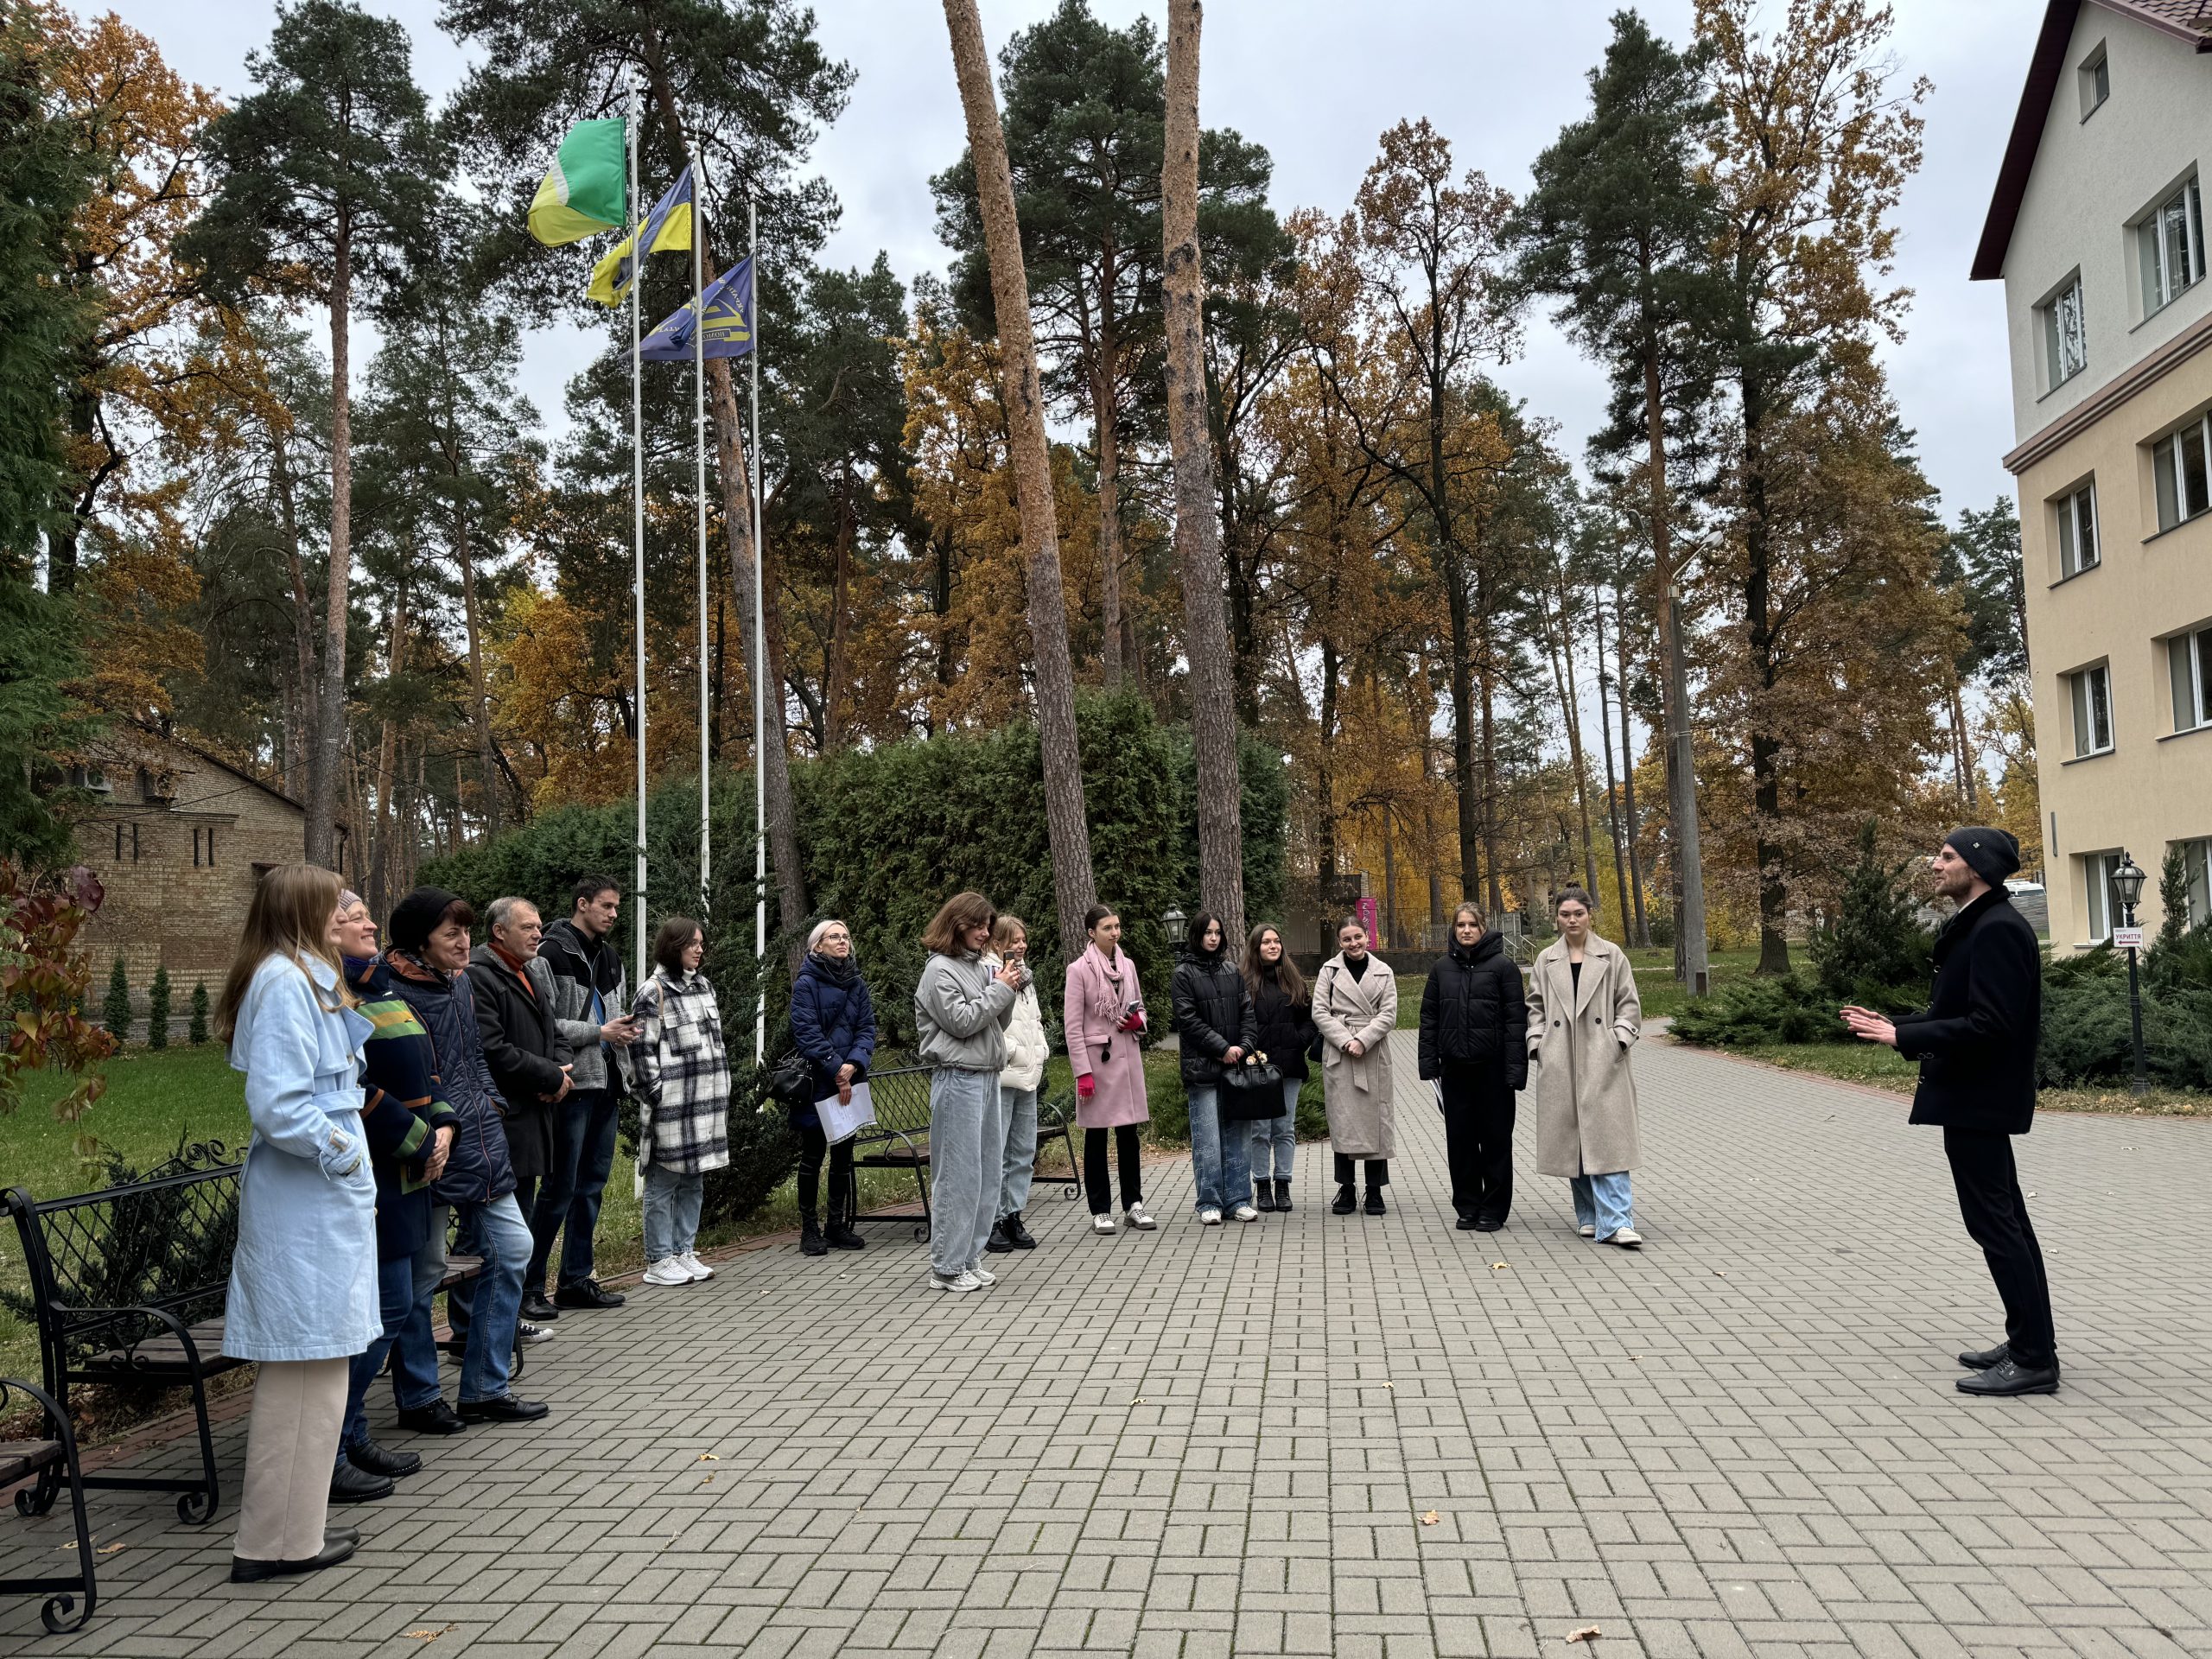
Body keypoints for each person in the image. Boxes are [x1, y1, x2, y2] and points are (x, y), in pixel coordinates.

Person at [1844, 827, 2057, 1397]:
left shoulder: (1997, 931)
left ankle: (2036, 1358)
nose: (1936, 865)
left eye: (1947, 857)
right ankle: (2027, 1340)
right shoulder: (1983, 924)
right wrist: (1898, 1024)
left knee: (1996, 1224)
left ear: (1978, 868)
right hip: (1974, 1097)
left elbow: (1991, 1025)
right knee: (2004, 1221)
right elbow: (1958, 1009)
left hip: (1979, 1098)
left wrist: (1901, 1037)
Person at [214, 863, 378, 1583]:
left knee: (321, 1364)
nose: (352, 911)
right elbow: (280, 1105)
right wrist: (344, 1157)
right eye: (338, 902)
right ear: (308, 911)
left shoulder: (306, 979)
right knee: (304, 1367)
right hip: (306, 1195)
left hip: (319, 1197)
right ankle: (273, 1543)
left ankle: (291, 1533)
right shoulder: (285, 983)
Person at [381, 887, 546, 1428]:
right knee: (423, 1273)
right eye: (451, 933)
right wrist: (433, 1133)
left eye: (466, 931)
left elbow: (473, 1056)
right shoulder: (388, 989)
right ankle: (420, 1397)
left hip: (478, 1138)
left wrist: (490, 1105)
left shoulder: (457, 984)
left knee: (513, 1248)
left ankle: (482, 1387)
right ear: (419, 940)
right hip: (424, 1150)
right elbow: (398, 1078)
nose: (464, 942)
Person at [332, 892, 453, 1506]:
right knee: (386, 1303)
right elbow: (354, 1085)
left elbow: (427, 1070)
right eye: (351, 917)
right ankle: (337, 1441)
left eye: (364, 914)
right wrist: (417, 1139)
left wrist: (445, 1127)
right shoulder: (335, 996)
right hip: (376, 1172)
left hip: (411, 1171)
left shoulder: (381, 990)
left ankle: (350, 1436)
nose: (369, 923)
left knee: (397, 1301)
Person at [467, 897, 574, 1327]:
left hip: (535, 1117)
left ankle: (505, 1318)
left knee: (520, 1224)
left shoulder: (527, 971)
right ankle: (471, 1325)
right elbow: (492, 1049)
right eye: (528, 927)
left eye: (540, 926)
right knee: (489, 1235)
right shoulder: (480, 976)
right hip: (505, 1121)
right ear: (499, 932)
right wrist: (549, 1076)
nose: (538, 934)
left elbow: (554, 1030)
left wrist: (560, 1073)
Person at [533, 874, 639, 1313]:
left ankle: (576, 1279)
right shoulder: (548, 954)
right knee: (559, 1189)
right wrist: (600, 1032)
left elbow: (615, 1017)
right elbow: (542, 1025)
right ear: (582, 904)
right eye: (607, 906)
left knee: (592, 1186)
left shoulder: (611, 957)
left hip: (608, 1084)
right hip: (572, 1085)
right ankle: (528, 1287)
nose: (614, 914)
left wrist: (628, 1033)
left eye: (616, 907)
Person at [913, 892, 1020, 1292]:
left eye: (987, 925)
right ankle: (945, 1265)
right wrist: (999, 991)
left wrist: (1008, 987)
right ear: (957, 924)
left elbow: (994, 1021)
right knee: (958, 1174)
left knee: (986, 1172)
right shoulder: (938, 971)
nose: (985, 932)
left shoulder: (977, 967)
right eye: (978, 925)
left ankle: (968, 1257)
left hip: (986, 1076)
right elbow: (961, 1021)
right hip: (957, 1078)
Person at [1526, 887, 1643, 1249]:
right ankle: (1590, 1216)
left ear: (1590, 914)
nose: (1572, 920)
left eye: (1578, 913)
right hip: (1561, 1059)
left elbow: (1629, 1004)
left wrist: (1618, 1040)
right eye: (1565, 914)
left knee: (1608, 1141)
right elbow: (1535, 1006)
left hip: (1601, 1060)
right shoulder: (1546, 959)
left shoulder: (1612, 955)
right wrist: (1538, 1043)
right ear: (1557, 918)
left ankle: (1618, 1222)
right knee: (1573, 1141)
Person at [631, 917, 732, 1286]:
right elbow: (641, 1054)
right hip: (671, 1108)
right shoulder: (652, 992)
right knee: (663, 1183)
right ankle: (658, 1260)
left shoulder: (704, 987)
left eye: (701, 943)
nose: (700, 949)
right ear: (673, 947)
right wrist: (656, 1094)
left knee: (694, 1180)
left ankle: (683, 1251)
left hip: (704, 1105)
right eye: (692, 944)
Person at [1418, 904, 1529, 1232]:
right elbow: (1429, 1020)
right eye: (1460, 925)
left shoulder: (1504, 968)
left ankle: (1493, 1209)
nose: (1466, 930)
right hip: (1455, 1071)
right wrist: (1429, 1065)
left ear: (1484, 928)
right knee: (1461, 1143)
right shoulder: (1441, 969)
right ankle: (1467, 1206)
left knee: (1495, 1141)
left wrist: (1514, 1072)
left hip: (1492, 1072)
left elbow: (1515, 1023)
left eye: (1472, 925)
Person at [787, 918, 876, 1256]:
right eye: (834, 936)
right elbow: (806, 1031)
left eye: (846, 936)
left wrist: (854, 1064)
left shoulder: (856, 981)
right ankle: (809, 1230)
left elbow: (867, 1027)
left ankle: (836, 1225)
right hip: (818, 1082)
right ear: (817, 946)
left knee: (843, 1156)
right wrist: (836, 1068)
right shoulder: (806, 983)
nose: (843, 941)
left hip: (851, 1080)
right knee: (812, 1156)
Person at [1064, 903, 1154, 1236]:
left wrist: (1137, 1021)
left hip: (1127, 1059)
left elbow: (1140, 1007)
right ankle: (1100, 1210)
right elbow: (1072, 1026)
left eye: (1117, 926)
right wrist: (1081, 1072)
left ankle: (1133, 1204)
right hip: (1098, 1065)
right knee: (1097, 1136)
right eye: (1107, 928)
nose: (1115, 932)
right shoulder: (1079, 970)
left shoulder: (1128, 965)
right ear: (1092, 932)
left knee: (1129, 1135)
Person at [1171, 909, 1260, 1225]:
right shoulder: (1183, 974)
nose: (1213, 938)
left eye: (1218, 933)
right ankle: (1209, 1200)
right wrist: (1222, 1048)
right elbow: (1188, 1021)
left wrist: (1243, 1047)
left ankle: (1238, 1199)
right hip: (1203, 1070)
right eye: (1208, 932)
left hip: (1234, 1068)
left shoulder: (1231, 970)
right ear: (1197, 935)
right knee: (1208, 1139)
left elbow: (1247, 1013)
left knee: (1237, 1135)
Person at [1313, 918, 1399, 1215]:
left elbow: (1389, 1014)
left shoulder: (1383, 971)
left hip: (1373, 1053)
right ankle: (1346, 1189)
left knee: (1377, 1121)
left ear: (1367, 937)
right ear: (1340, 942)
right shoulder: (1329, 971)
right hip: (1340, 1054)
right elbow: (1319, 1012)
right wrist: (1345, 1040)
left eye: (1358, 937)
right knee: (1343, 1120)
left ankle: (1374, 1191)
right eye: (1347, 939)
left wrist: (1363, 1039)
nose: (1354, 943)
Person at [986, 914, 1049, 1253]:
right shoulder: (991, 973)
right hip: (1002, 1074)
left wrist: (1040, 1048)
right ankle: (993, 1219)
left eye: (1023, 940)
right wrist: (1009, 1051)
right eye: (1014, 940)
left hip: (1028, 1073)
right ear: (997, 943)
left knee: (1023, 1150)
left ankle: (1013, 1214)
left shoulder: (1026, 976)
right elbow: (991, 1021)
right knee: (997, 1151)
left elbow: (1034, 1019)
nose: (1021, 946)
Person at [1243, 923, 1313, 1213]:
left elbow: (1309, 1019)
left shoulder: (1293, 980)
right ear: (1256, 947)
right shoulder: (1245, 983)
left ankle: (1282, 1183)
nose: (1273, 946)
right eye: (1266, 942)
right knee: (1260, 1130)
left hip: (1289, 1066)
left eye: (1276, 941)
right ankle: (1261, 1185)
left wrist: (1299, 1041)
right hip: (1257, 1069)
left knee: (1284, 1128)